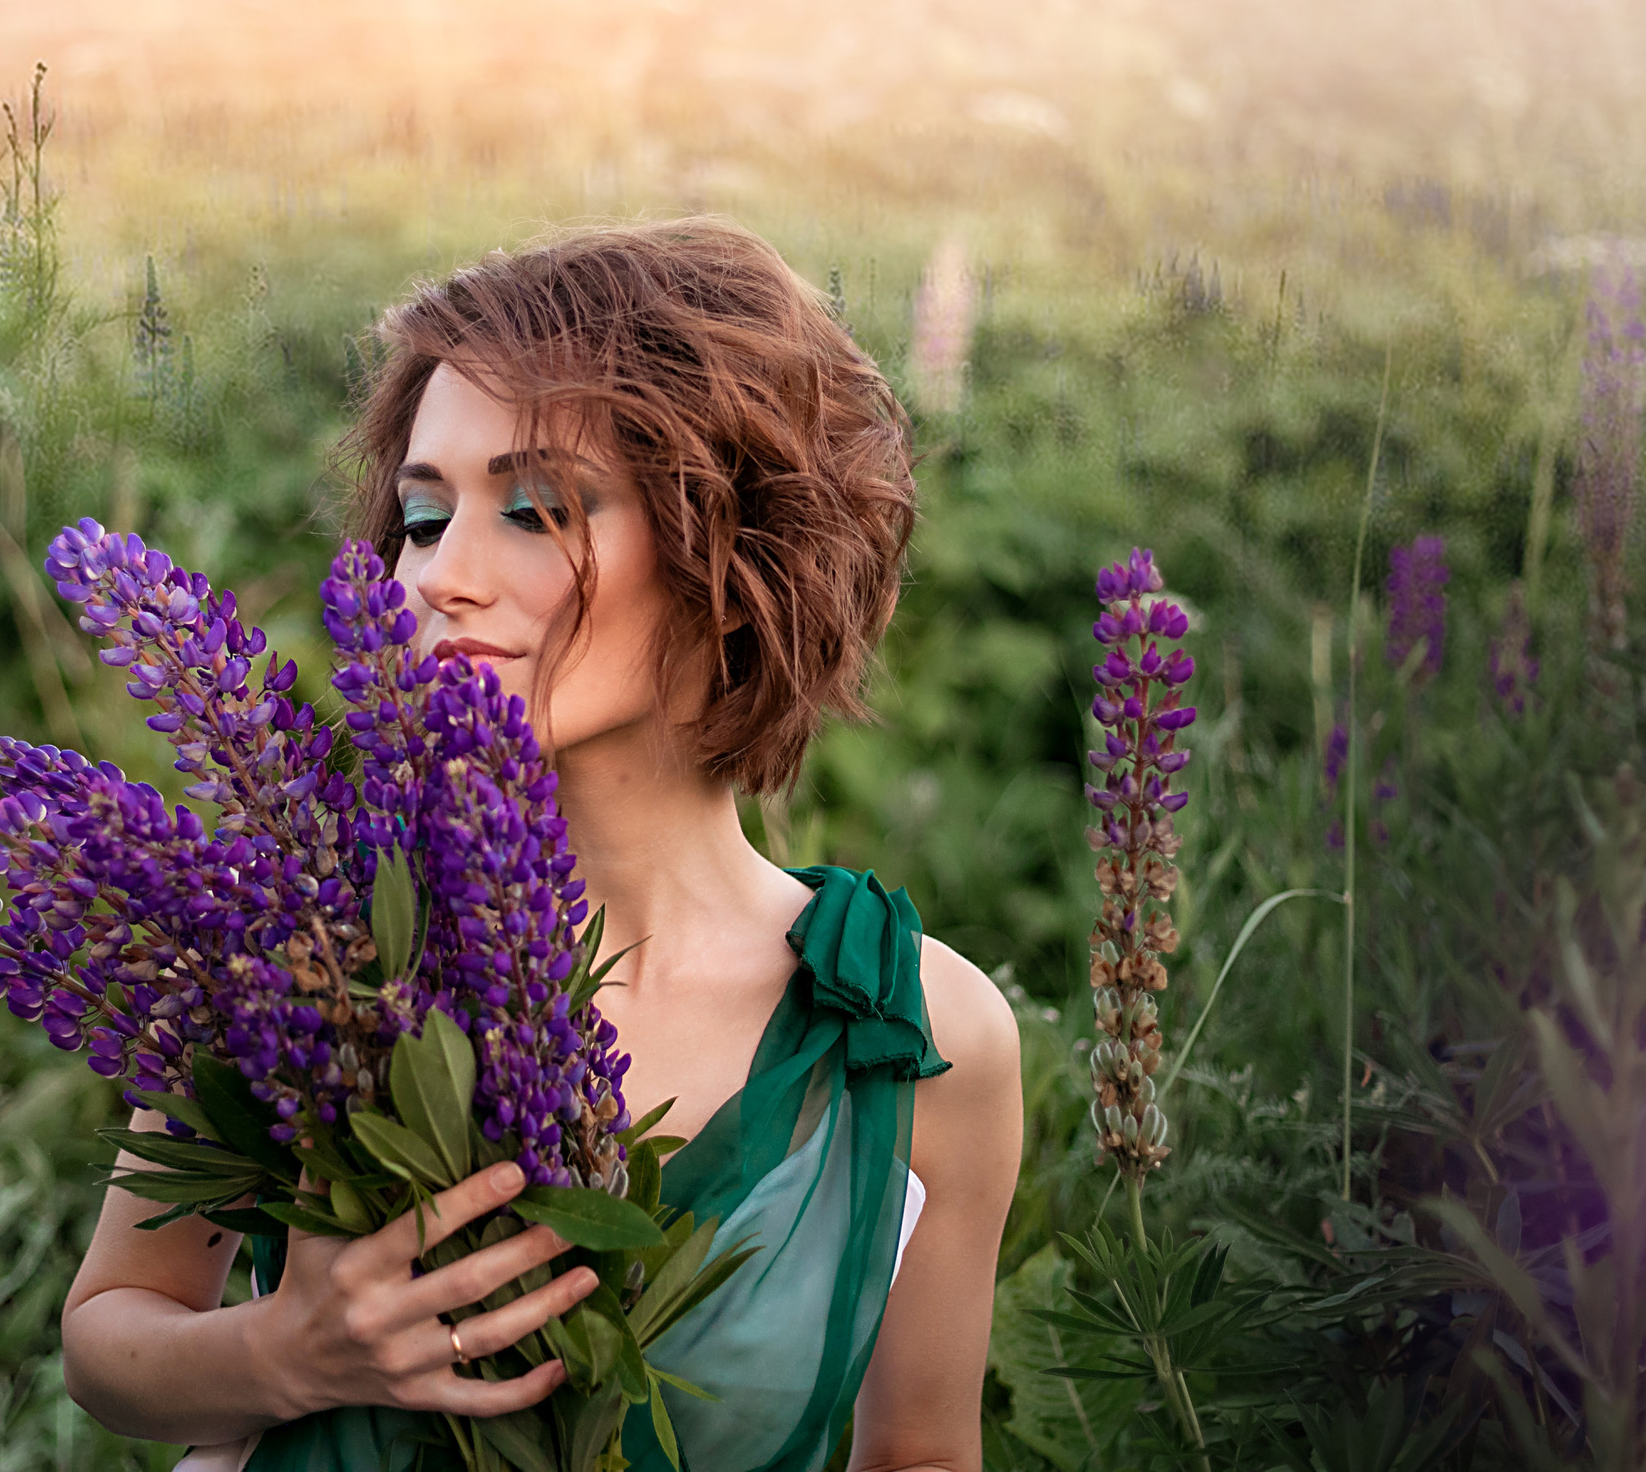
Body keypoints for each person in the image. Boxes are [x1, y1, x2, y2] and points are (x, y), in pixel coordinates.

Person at [61, 218, 1023, 1472]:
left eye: (531, 509)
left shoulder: (923, 1037)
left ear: (727, 552)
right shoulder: (300, 941)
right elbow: (106, 1337)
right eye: (419, 517)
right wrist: (284, 1352)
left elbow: (920, 1461)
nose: (439, 575)